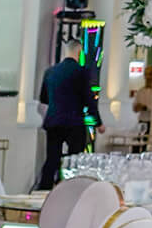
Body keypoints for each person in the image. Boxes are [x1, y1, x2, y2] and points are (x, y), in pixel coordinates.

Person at [37, 42, 105, 189]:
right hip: (74, 122)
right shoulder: (81, 72)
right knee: (75, 159)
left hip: (53, 120)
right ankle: (72, 188)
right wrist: (98, 122)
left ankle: (44, 189)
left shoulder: (50, 72)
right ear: (79, 53)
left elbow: (43, 98)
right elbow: (89, 100)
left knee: (52, 158)